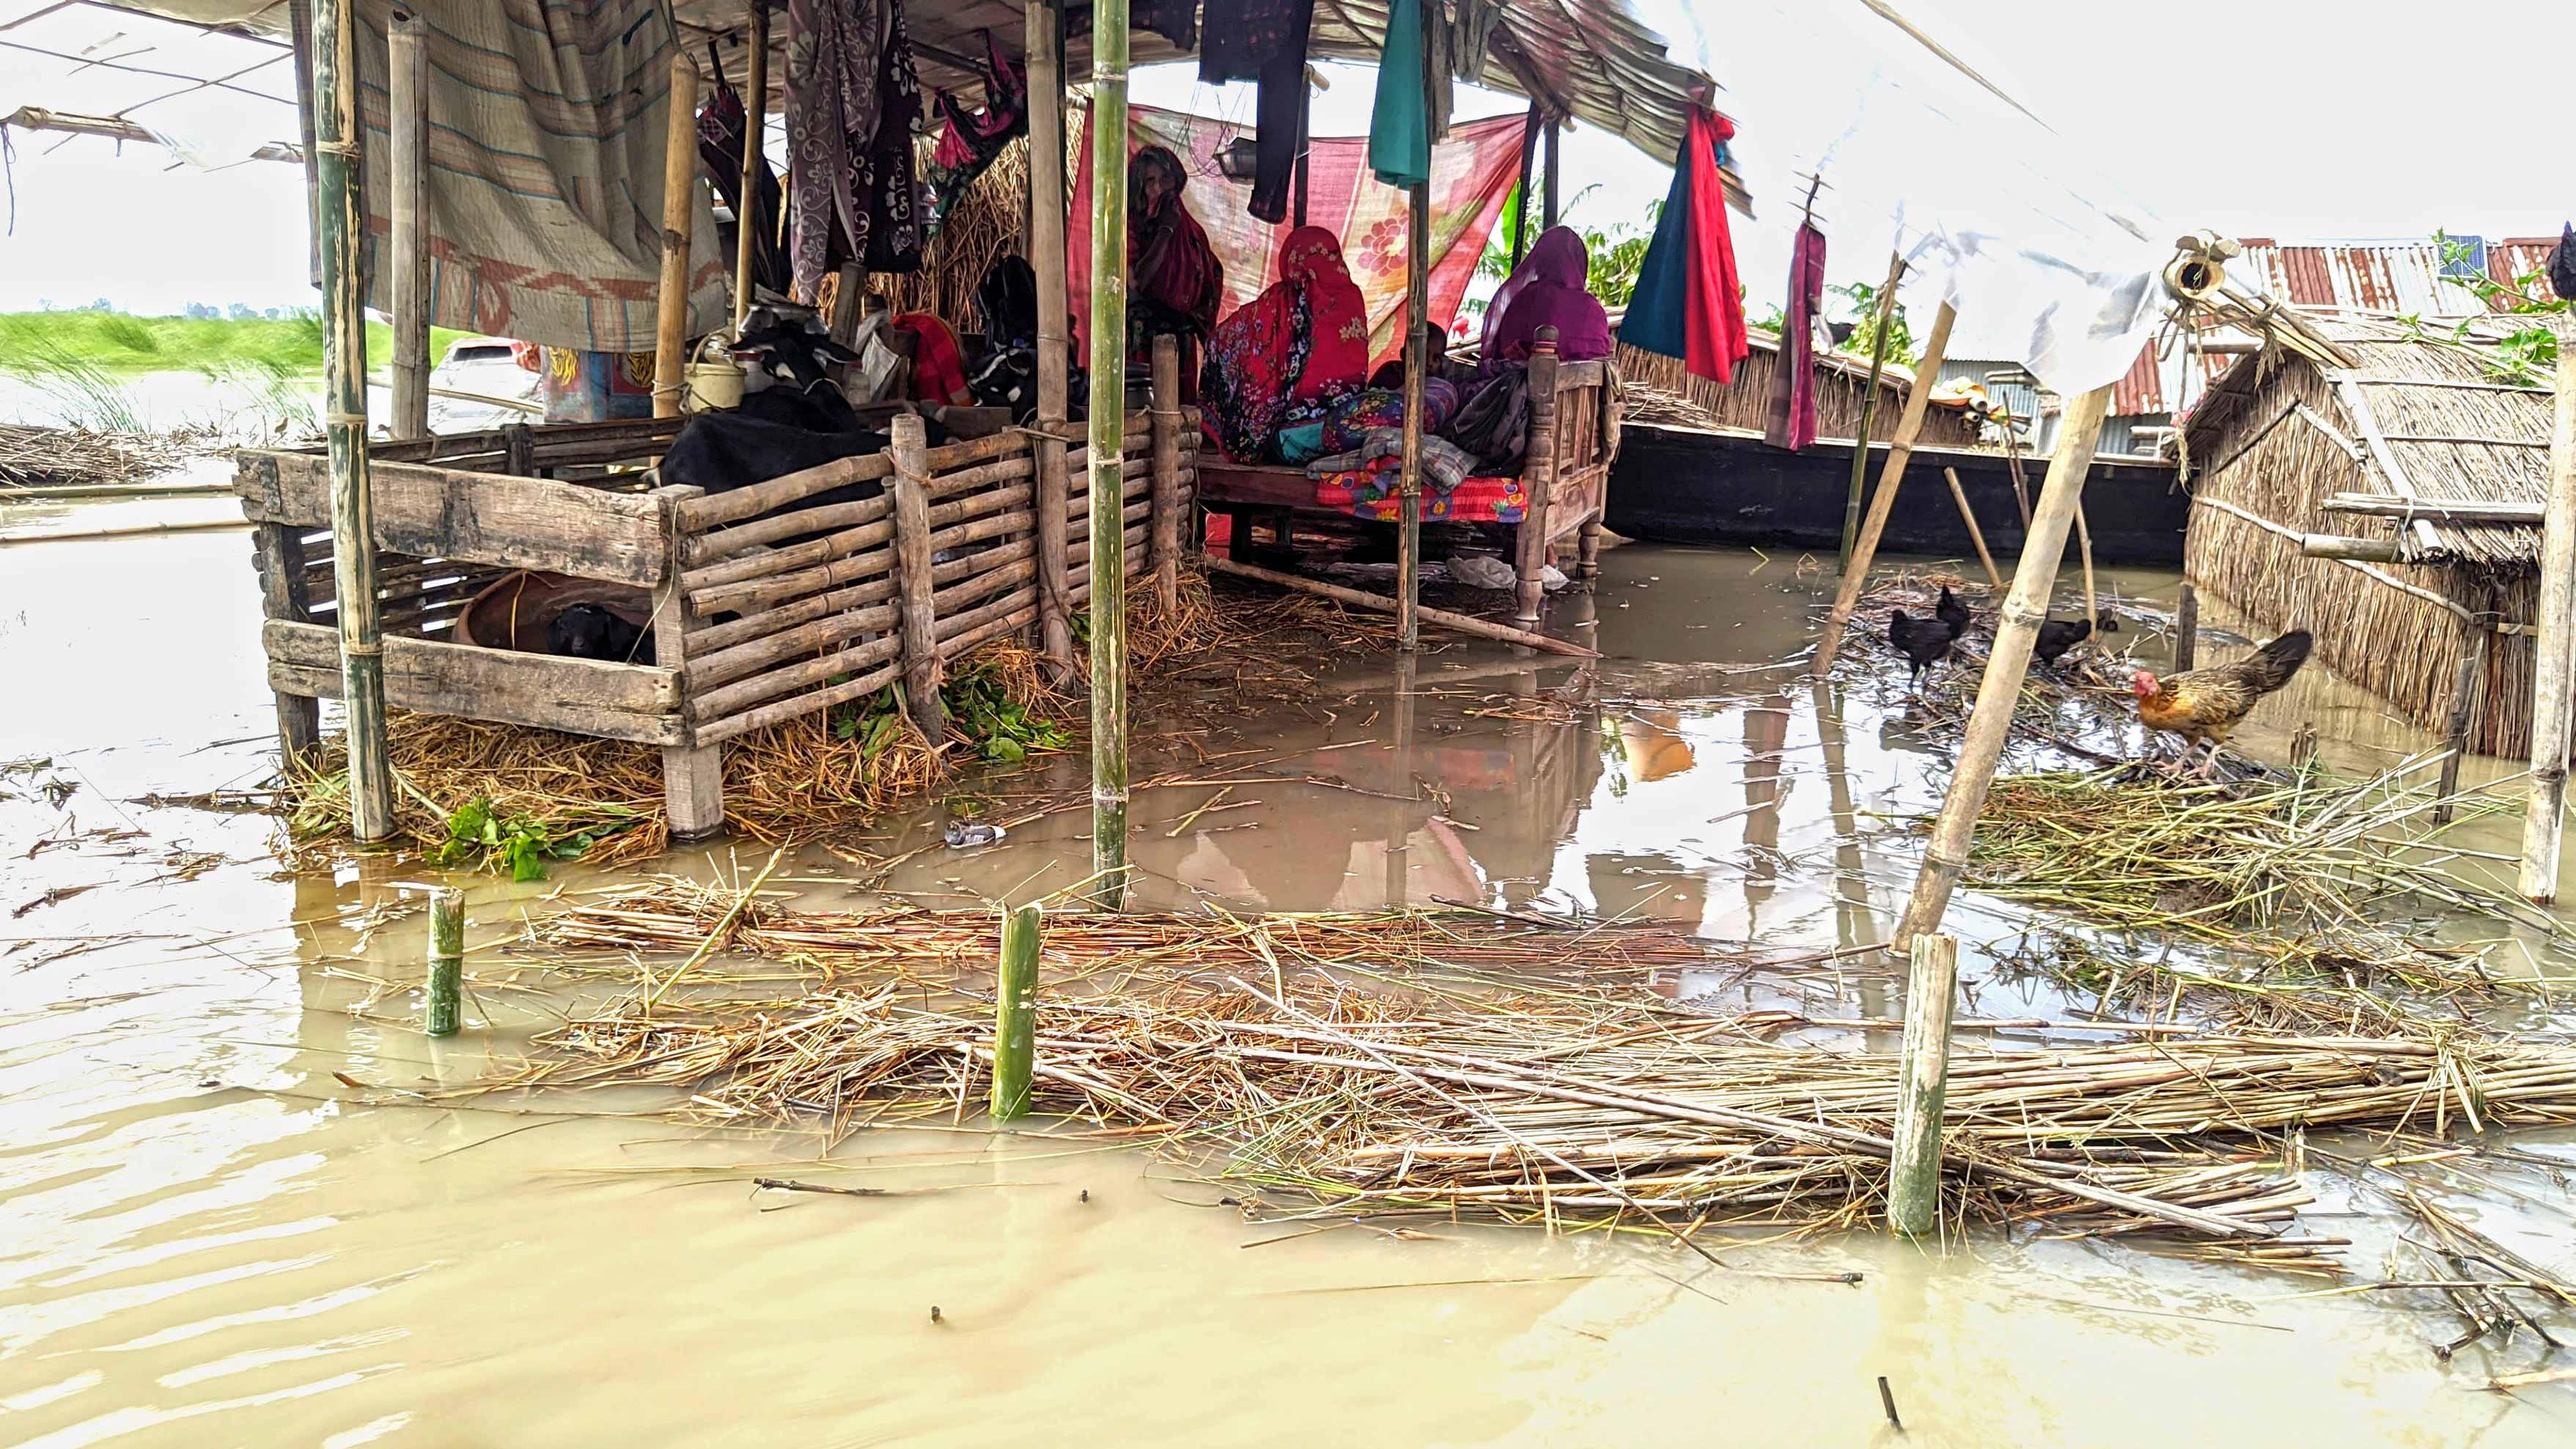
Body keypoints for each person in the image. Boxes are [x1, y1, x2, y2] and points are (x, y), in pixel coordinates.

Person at [1200, 226, 1369, 462]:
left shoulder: (1284, 300)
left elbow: (1221, 339)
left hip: (1290, 441)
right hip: (1347, 434)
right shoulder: (1352, 298)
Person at [1128, 145, 1224, 385]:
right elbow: (1136, 282)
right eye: (1150, 181)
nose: (1158, 189)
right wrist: (1165, 232)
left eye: (1165, 179)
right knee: (1144, 409)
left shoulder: (1193, 232)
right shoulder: (1132, 229)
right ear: (1140, 188)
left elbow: (1210, 279)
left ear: (1176, 181)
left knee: (1181, 411)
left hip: (1181, 341)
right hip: (1144, 340)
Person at [1479, 226, 1613, 370]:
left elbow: (1502, 351)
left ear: (1539, 260)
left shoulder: (1522, 300)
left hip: (1512, 389)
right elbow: (1600, 356)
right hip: (1582, 391)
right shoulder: (1590, 307)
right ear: (1580, 262)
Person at [1366, 321, 1454, 390]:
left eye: (1436, 358)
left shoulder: (1437, 387)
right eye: (1423, 354)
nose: (1429, 362)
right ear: (1404, 355)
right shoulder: (1391, 371)